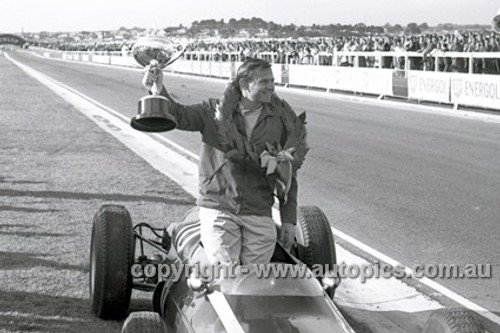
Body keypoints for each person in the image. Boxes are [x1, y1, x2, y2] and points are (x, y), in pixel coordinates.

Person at [142, 58, 308, 266]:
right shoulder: (213, 111)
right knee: (225, 276)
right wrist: (157, 89)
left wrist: (289, 220)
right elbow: (179, 115)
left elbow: (288, 173)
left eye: (272, 81)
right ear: (245, 84)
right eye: (264, 82)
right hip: (219, 208)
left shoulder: (282, 122)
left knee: (254, 282)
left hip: (259, 212)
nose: (272, 87)